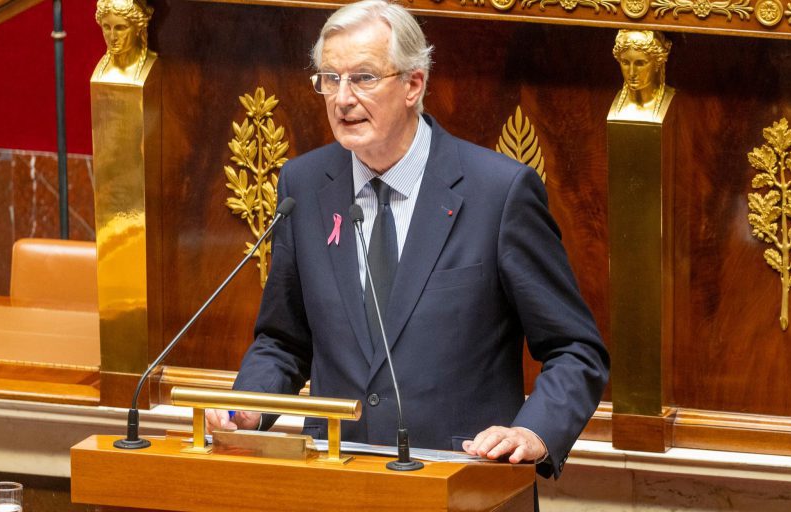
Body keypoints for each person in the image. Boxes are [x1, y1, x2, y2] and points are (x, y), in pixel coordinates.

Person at [205, 0, 609, 479]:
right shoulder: (304, 185)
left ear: (413, 84)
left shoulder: (498, 192)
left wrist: (534, 432)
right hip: (336, 477)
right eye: (330, 79)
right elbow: (283, 339)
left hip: (464, 481)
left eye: (363, 78)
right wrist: (248, 408)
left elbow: (575, 349)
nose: (342, 98)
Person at [610, 30, 673, 122]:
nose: (631, 73)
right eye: (625, 63)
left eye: (640, 63)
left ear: (657, 63)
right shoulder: (612, 102)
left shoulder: (673, 100)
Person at [93, 0, 155, 83]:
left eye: (120, 28)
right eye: (107, 27)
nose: (112, 37)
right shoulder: (100, 71)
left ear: (138, 28)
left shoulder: (153, 67)